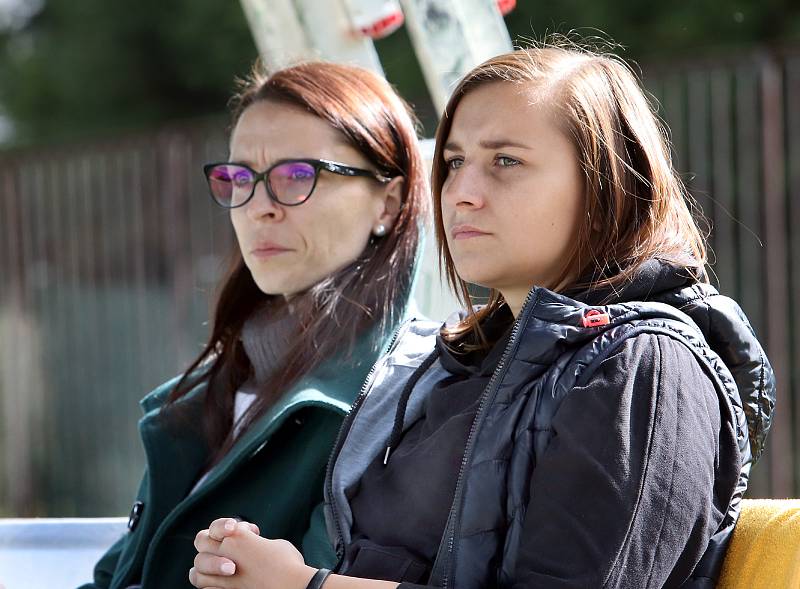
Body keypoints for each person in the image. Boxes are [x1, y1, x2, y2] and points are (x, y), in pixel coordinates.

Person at [188, 44, 775, 589]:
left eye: (506, 161)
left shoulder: (645, 367)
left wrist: (304, 586)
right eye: (453, 161)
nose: (460, 192)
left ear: (607, 183)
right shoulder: (461, 363)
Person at [79, 60, 428, 589]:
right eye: (240, 177)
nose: (258, 207)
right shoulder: (209, 390)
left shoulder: (401, 398)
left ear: (389, 201)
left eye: (296, 175)